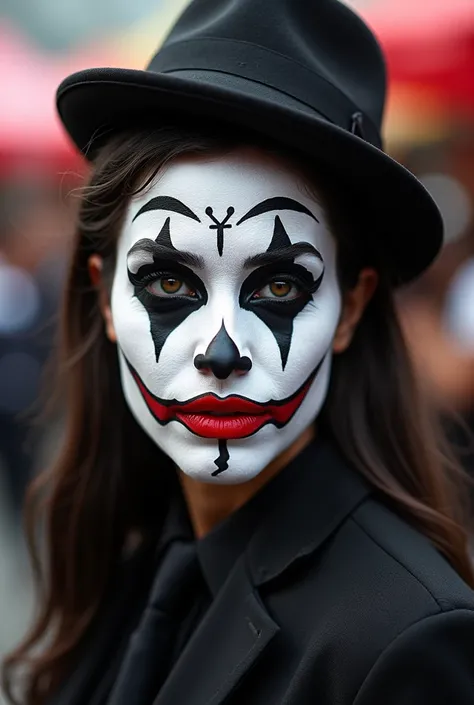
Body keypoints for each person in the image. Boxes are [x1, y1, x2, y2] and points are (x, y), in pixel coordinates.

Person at [3, 0, 474, 703]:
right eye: (168, 280)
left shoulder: (401, 638)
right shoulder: (124, 560)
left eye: (280, 285)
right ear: (103, 298)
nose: (222, 349)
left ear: (350, 305)